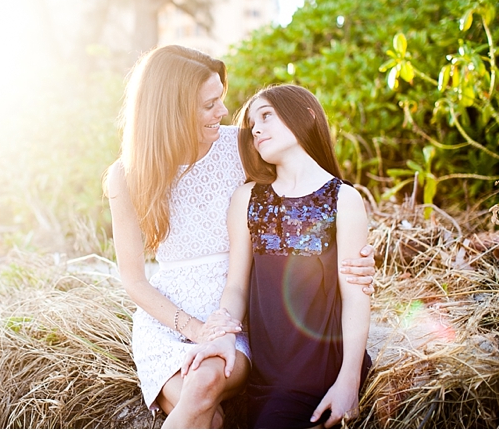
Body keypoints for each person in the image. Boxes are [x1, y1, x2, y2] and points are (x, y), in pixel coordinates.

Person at [104, 46, 375, 429]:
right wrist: (195, 329)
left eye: (221, 100)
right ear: (173, 110)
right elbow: (133, 279)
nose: (224, 113)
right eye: (210, 104)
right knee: (205, 412)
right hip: (169, 319)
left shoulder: (241, 145)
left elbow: (305, 191)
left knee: (204, 385)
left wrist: (353, 252)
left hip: (234, 310)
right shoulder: (126, 175)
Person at [182, 83, 372, 428]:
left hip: (320, 369)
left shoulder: (344, 199)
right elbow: (236, 285)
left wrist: (349, 382)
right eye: (253, 122)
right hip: (265, 371)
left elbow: (356, 296)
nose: (256, 128)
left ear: (307, 117)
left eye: (267, 115)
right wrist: (223, 334)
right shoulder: (248, 198)